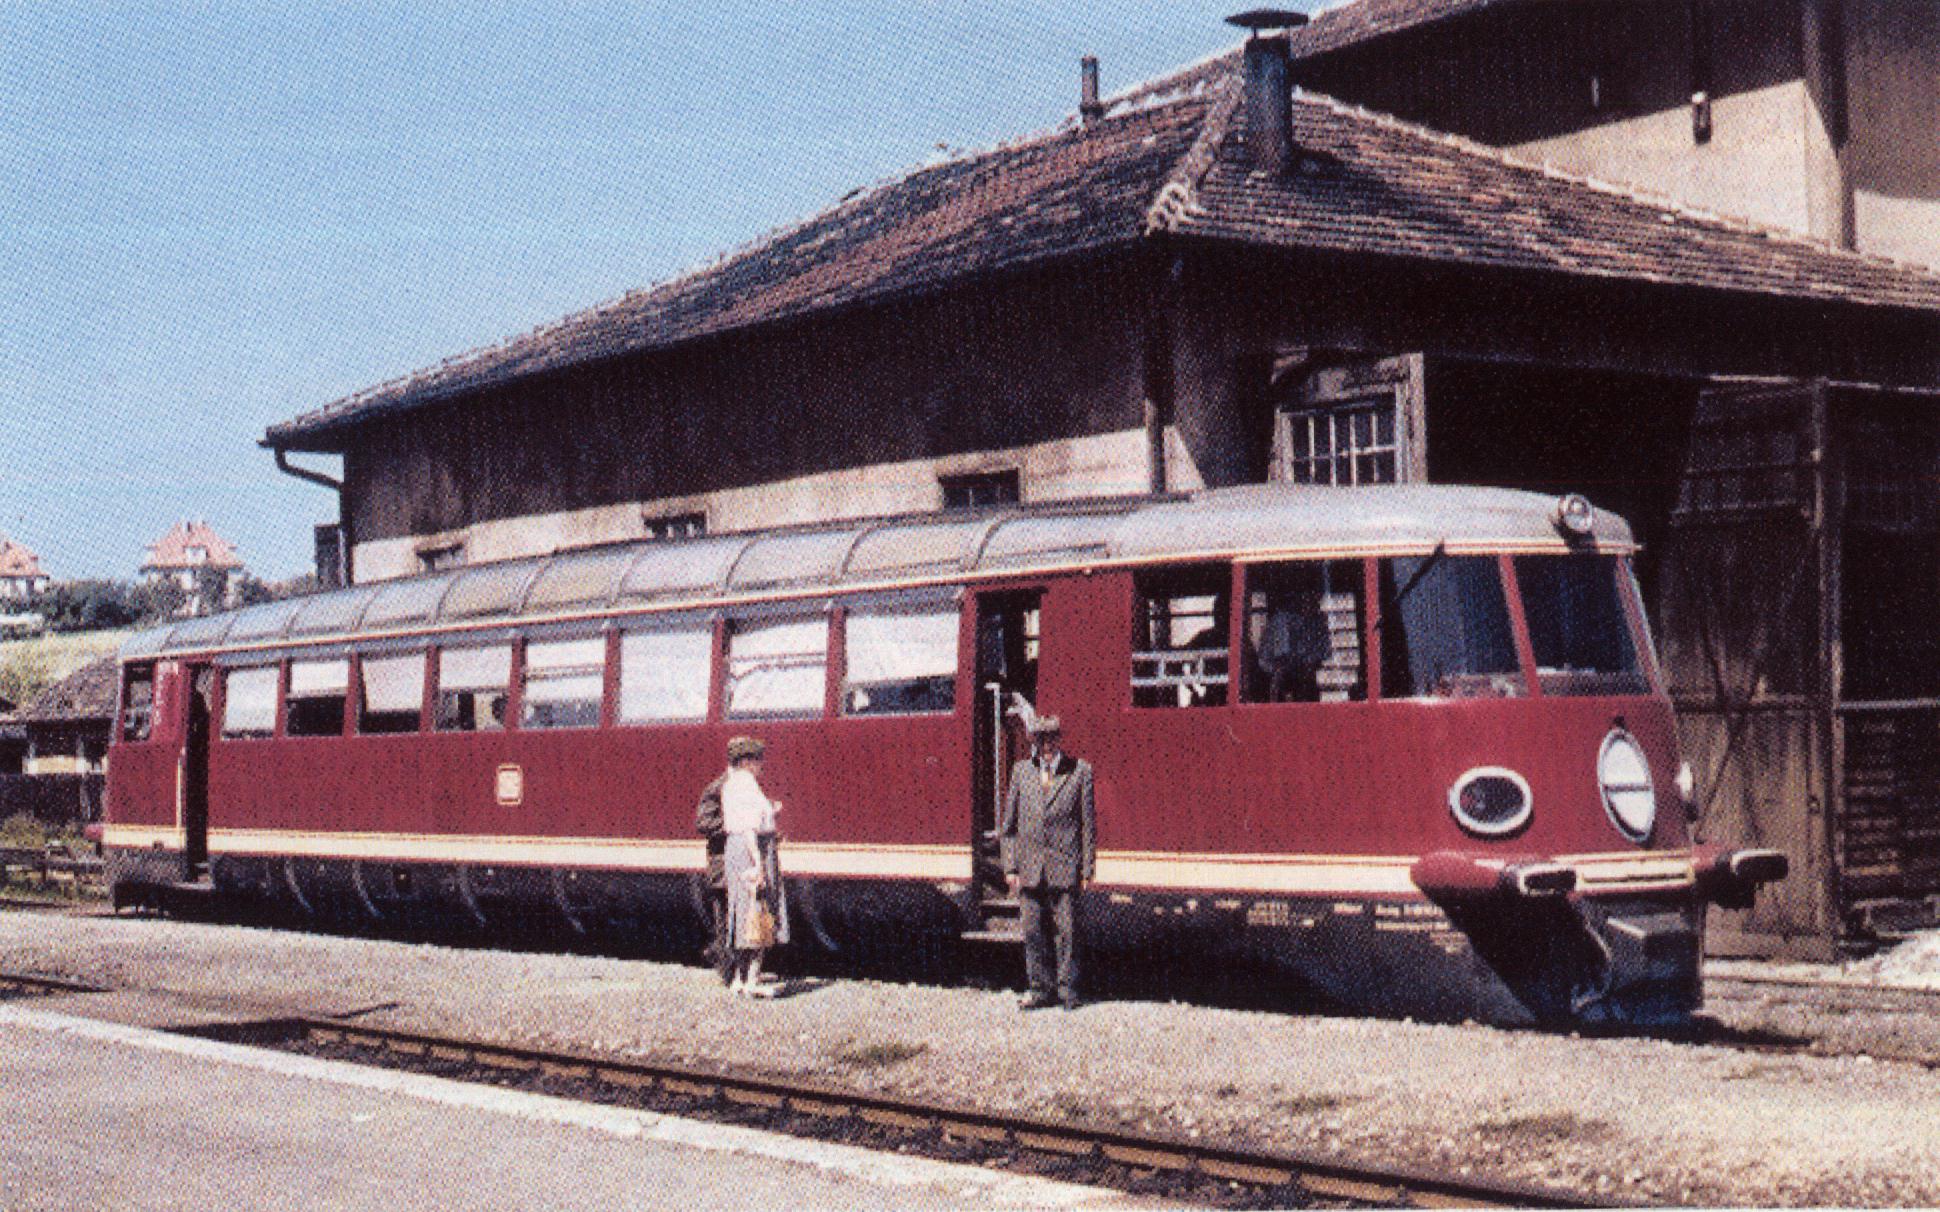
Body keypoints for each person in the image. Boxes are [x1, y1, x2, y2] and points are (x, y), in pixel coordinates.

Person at [999, 715, 1095, 1010]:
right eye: (1041, 740)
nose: (1047, 745)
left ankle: (1068, 992)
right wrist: (1010, 867)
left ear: (1059, 739)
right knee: (1032, 933)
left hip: (1064, 866)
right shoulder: (1021, 772)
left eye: (1052, 738)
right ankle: (1041, 991)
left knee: (1067, 933)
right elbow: (1009, 827)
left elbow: (1087, 826)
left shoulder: (1079, 772)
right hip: (1029, 868)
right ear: (1035, 743)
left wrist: (1087, 869)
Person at [719, 735, 789, 997]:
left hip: (735, 849)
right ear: (747, 761)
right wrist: (759, 865)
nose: (762, 765)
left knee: (740, 911)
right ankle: (753, 981)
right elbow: (750, 827)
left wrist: (770, 811)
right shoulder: (747, 784)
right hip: (752, 849)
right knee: (760, 910)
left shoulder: (730, 784)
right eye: (759, 760)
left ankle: (738, 978)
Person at [694, 763, 735, 985]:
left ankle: (731, 964)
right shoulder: (716, 789)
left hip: (739, 863)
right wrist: (734, 824)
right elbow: (703, 822)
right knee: (724, 920)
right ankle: (726, 969)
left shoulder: (741, 788)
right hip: (722, 864)